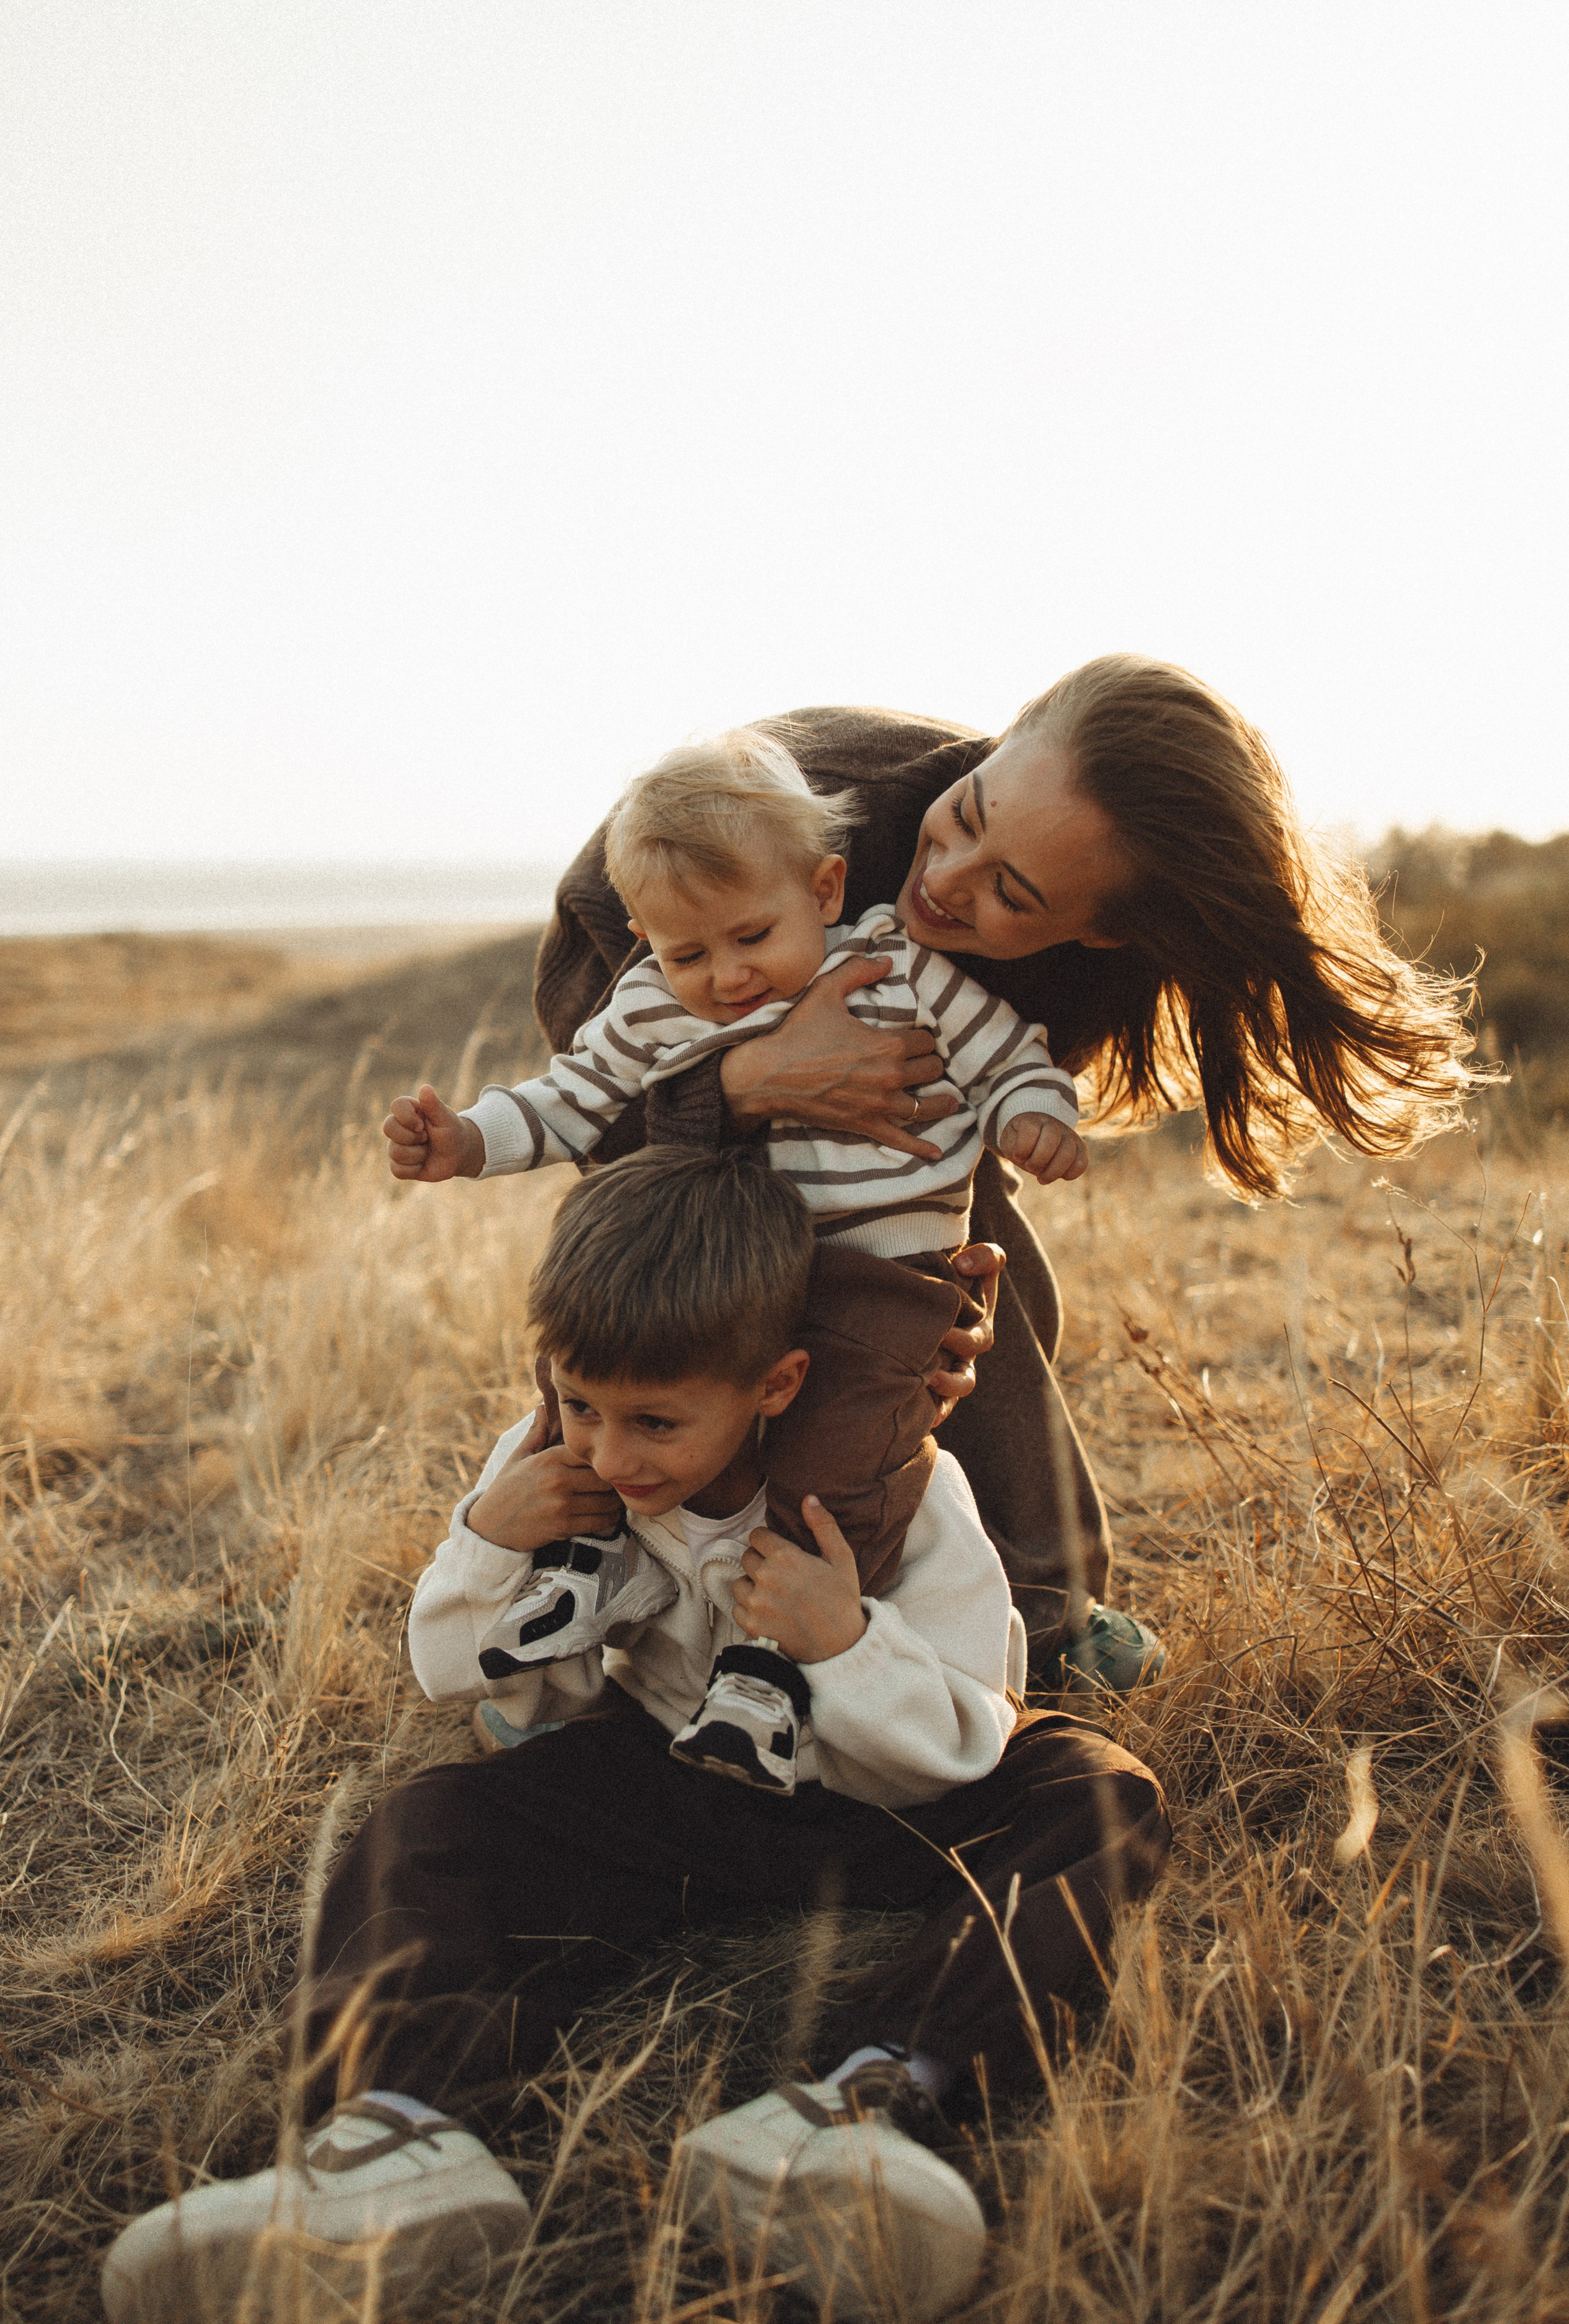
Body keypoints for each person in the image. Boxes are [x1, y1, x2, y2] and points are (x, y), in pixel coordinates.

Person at [100, 1150, 1171, 2324]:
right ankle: (400, 2140)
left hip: (885, 1802)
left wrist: (842, 1643)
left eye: (655, 1423)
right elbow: (481, 1683)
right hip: (675, 1779)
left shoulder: (899, 1496)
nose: (611, 1455)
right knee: (435, 1820)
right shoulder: (570, 1467)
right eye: (581, 1406)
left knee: (1100, 1794)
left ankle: (868, 2108)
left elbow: (964, 1739)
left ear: (778, 1384)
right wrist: (489, 1541)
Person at [485, 654, 1482, 1686]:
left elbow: (953, 1168)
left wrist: (932, 1315)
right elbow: (593, 1110)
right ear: (994, 748)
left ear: (1101, 928)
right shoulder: (825, 828)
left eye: (1011, 891)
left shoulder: (1087, 971)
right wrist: (747, 1084)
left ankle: (1040, 1603)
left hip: (898, 1115)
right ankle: (570, 1571)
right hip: (660, 1044)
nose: (947, 880)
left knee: (973, 1302)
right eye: (966, 815)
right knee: (665, 1312)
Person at [384, 728, 1102, 1785]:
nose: (724, 977)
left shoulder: (897, 972)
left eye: (751, 937)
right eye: (686, 954)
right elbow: (569, 1103)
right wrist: (467, 1141)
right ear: (643, 938)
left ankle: (770, 1666)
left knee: (840, 1459)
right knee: (601, 1369)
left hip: (884, 1284)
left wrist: (1038, 1118)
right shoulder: (646, 1004)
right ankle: (577, 1568)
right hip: (722, 1262)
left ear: (824, 887)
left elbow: (1007, 1061)